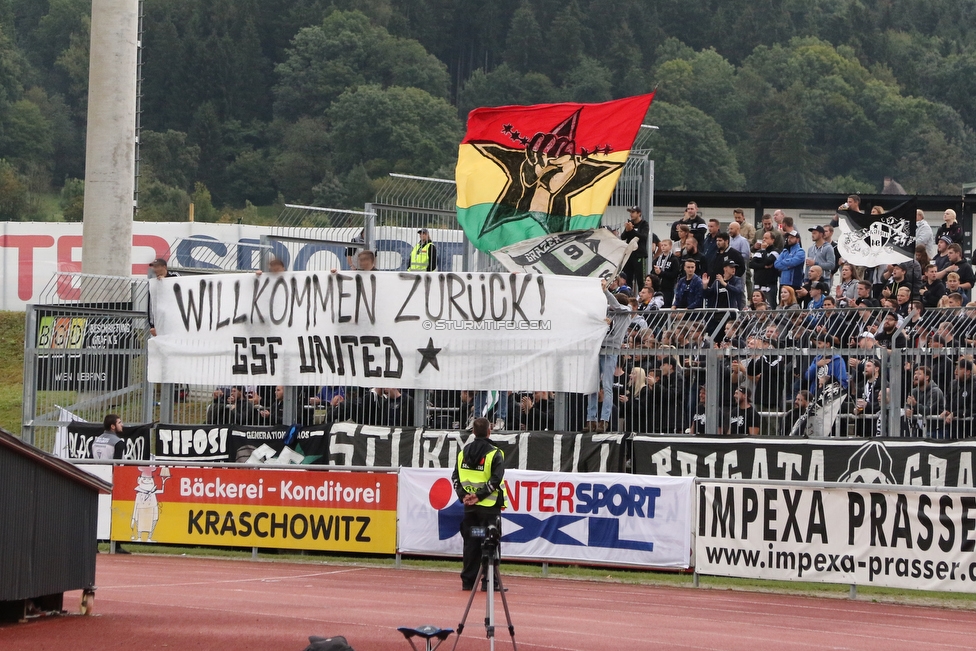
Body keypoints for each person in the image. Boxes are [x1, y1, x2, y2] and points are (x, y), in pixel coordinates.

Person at [452, 417, 507, 592]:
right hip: (489, 510)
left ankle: (468, 581)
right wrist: (480, 496)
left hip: (470, 509)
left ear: (473, 432)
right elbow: (496, 480)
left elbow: (455, 478)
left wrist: (464, 496)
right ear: (489, 431)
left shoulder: (463, 452)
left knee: (472, 542)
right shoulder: (495, 453)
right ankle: (489, 582)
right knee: (490, 542)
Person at [587, 281, 632, 432]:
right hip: (598, 350)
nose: (610, 307)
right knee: (592, 386)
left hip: (611, 351)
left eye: (611, 303)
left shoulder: (626, 311)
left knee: (607, 386)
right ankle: (591, 419)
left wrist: (606, 291)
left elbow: (617, 306)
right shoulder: (606, 311)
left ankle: (604, 420)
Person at [148, 257, 178, 337]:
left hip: (174, 322)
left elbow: (180, 285)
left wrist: (166, 280)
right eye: (154, 267)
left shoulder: (174, 277)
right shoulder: (153, 284)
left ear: (164, 267)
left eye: (157, 266)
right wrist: (152, 326)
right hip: (159, 322)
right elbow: (151, 305)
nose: (155, 269)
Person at [621, 206, 649, 288]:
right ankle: (628, 297)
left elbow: (644, 237)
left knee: (641, 280)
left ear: (639, 213)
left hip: (639, 254)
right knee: (628, 278)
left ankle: (642, 297)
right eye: (630, 212)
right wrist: (627, 230)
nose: (631, 214)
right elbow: (623, 237)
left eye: (633, 212)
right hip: (629, 254)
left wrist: (632, 230)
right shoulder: (630, 223)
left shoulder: (644, 224)